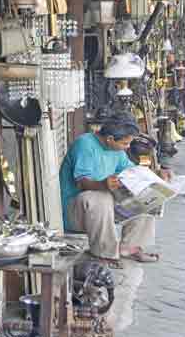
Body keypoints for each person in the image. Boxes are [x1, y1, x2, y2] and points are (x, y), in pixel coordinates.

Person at [59, 113, 159, 267]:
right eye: (125, 144)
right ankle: (104, 254)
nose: (127, 147)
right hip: (75, 211)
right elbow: (82, 182)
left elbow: (130, 170)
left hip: (102, 209)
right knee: (101, 197)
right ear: (110, 139)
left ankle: (130, 248)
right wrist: (103, 185)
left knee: (146, 194)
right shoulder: (84, 144)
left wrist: (154, 177)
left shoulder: (116, 150)